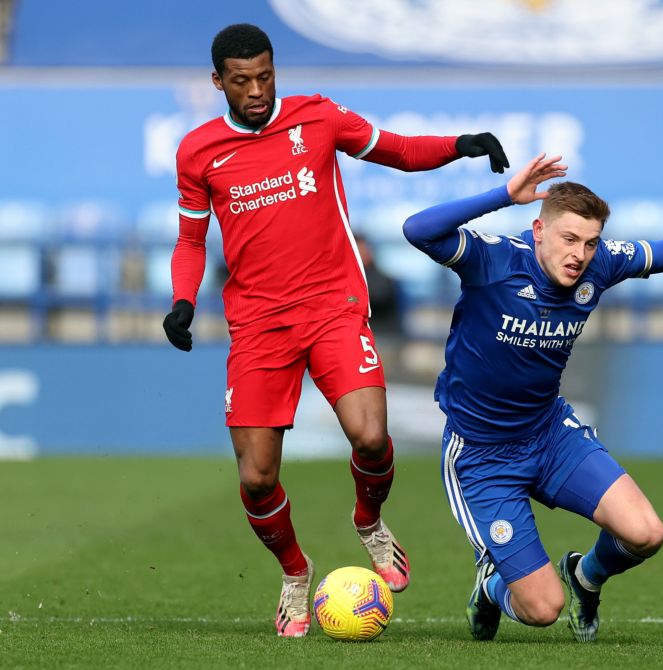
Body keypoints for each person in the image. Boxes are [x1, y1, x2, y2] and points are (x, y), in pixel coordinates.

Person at [161, 23, 509, 638]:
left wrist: (462, 143)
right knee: (256, 477)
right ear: (219, 83)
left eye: (265, 76)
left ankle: (369, 521)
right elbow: (191, 241)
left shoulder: (317, 118)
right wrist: (183, 301)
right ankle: (296, 574)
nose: (257, 91)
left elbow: (398, 150)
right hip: (259, 325)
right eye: (242, 81)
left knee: (371, 437)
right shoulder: (197, 152)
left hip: (332, 305)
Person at [402, 154, 663, 642]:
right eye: (569, 239)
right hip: (482, 456)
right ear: (538, 230)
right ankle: (491, 586)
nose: (580, 254)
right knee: (542, 609)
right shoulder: (494, 260)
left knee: (646, 533)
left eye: (589, 243)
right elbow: (418, 229)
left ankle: (586, 575)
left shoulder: (600, 265)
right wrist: (502, 194)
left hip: (549, 436)